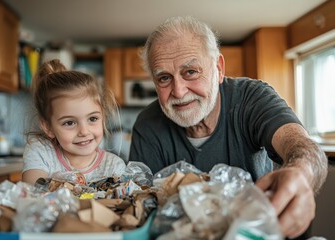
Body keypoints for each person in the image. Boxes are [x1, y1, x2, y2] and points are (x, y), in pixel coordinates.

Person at [129, 16, 328, 238]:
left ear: (218, 69)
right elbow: (142, 207)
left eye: (191, 72)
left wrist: (301, 172)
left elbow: (302, 146)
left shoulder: (252, 98)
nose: (178, 91)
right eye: (164, 78)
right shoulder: (147, 124)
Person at [22, 59, 126, 185]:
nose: (84, 131)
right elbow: (33, 192)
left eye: (92, 119)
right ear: (48, 127)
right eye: (69, 123)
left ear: (103, 117)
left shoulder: (114, 167)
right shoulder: (41, 151)